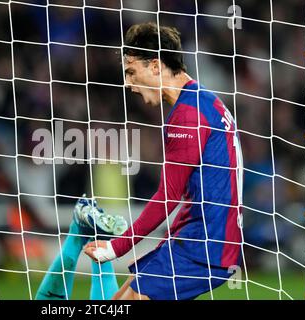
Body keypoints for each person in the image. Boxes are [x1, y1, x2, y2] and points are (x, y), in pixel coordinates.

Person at [84, 22, 244, 300]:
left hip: (203, 247)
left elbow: (167, 197)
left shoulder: (187, 116)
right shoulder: (204, 100)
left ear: (156, 66)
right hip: (199, 239)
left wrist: (115, 248)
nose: (127, 83)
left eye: (132, 72)